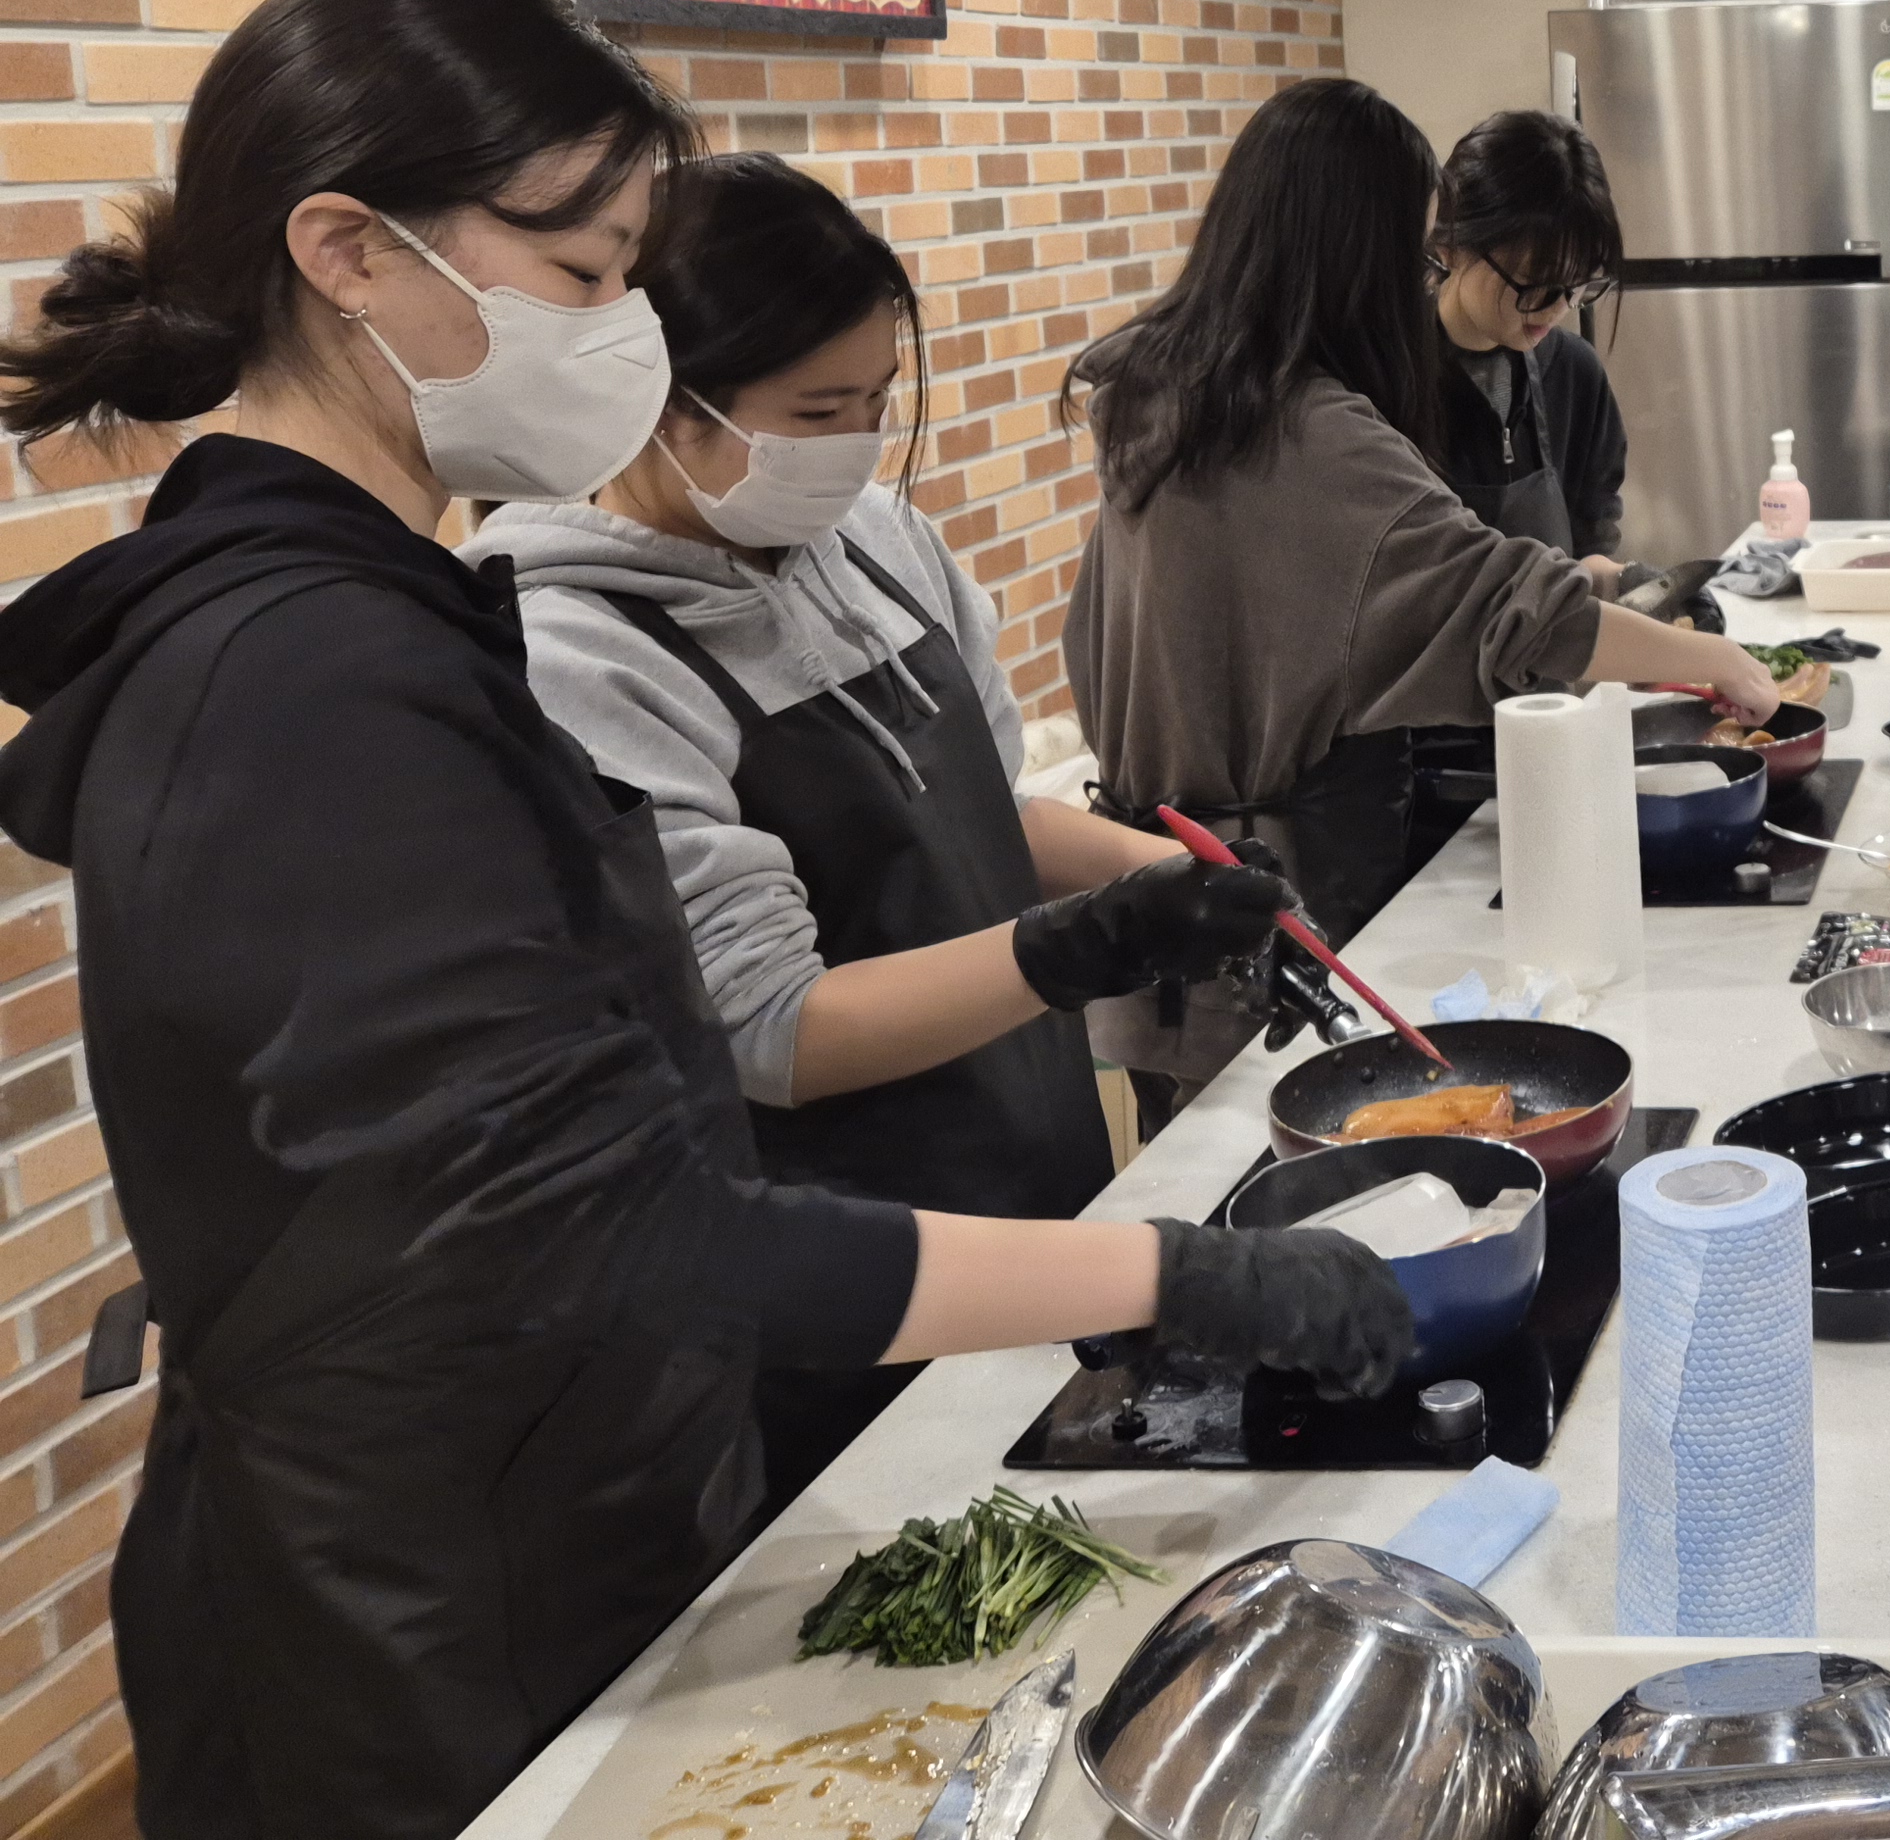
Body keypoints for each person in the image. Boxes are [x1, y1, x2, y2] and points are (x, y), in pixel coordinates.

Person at [0, 0, 1407, 1840]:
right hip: (430, 1621)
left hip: (555, 1509)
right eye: (584, 276)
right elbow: (622, 1236)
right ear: (346, 253)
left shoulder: (377, 611)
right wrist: (1175, 1274)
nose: (618, 338)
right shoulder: (314, 681)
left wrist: (1106, 923)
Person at [475, 153, 1290, 1515]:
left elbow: (974, 814)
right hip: (850, 1276)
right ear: (660, 399)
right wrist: (1072, 949)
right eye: (816, 411)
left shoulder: (877, 546)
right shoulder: (579, 652)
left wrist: (1169, 873)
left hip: (1036, 1180)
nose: (854, 443)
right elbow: (775, 1032)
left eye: (874, 401)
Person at [1064, 76, 1778, 964]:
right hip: (1281, 888)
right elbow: (1516, 614)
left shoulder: (1162, 394)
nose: (1421, 272)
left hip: (1167, 879)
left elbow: (1095, 645)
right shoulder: (1312, 434)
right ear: (1358, 251)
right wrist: (1714, 660)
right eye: (1415, 247)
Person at [1431, 108, 1634, 578]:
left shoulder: (1575, 374)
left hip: (1555, 626)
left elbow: (1590, 546)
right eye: (1536, 284)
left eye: (1578, 286)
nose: (1557, 308)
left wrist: (1634, 584)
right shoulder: (1388, 379)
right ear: (1452, 243)